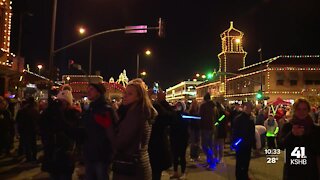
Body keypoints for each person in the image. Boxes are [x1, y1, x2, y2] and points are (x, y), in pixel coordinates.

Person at [113, 79, 157, 180]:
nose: (125, 96)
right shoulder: (137, 112)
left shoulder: (136, 115)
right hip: (138, 164)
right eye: (125, 93)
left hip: (130, 168)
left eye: (130, 94)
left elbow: (121, 142)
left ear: (139, 97)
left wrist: (108, 129)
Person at [40, 89, 80, 180]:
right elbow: (42, 126)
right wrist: (49, 110)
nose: (60, 104)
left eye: (63, 101)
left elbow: (70, 130)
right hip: (52, 153)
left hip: (65, 154)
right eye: (59, 101)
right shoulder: (51, 114)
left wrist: (59, 115)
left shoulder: (72, 114)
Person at [82, 83, 117, 180]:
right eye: (88, 89)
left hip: (101, 154)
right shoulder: (90, 108)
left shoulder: (105, 109)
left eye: (92, 89)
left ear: (99, 92)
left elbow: (111, 132)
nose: (88, 91)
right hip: (90, 152)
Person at [280, 98, 320, 180]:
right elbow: (281, 145)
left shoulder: (315, 129)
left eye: (304, 109)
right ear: (294, 110)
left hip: (310, 171)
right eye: (299, 109)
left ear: (308, 110)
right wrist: (292, 134)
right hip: (292, 171)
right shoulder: (288, 126)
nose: (302, 112)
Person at [148, 90, 174, 180]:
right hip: (154, 149)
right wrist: (162, 101)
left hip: (151, 149)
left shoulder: (145, 107)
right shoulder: (154, 107)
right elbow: (171, 117)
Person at [232, 102, 255, 180]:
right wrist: (235, 143)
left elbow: (252, 132)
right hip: (241, 143)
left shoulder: (250, 118)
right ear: (244, 108)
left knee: (246, 161)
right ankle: (239, 177)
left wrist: (253, 142)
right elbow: (235, 131)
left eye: (250, 108)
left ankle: (244, 176)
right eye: (247, 107)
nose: (249, 109)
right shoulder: (239, 118)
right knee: (240, 162)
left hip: (247, 143)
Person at [16, 97, 40, 162]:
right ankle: (34, 157)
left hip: (25, 130)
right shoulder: (35, 110)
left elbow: (19, 121)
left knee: (27, 144)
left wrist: (19, 130)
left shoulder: (23, 110)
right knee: (33, 144)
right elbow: (38, 121)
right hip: (33, 129)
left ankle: (29, 157)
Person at [170, 101, 189, 179]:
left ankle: (183, 172)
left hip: (182, 138)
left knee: (182, 156)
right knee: (175, 156)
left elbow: (186, 125)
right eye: (177, 105)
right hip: (174, 138)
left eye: (179, 105)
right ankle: (175, 172)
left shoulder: (185, 115)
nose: (178, 107)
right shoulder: (174, 114)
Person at [199, 93, 216, 168]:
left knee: (204, 146)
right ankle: (209, 161)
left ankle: (211, 160)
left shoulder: (203, 106)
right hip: (211, 127)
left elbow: (200, 116)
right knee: (210, 145)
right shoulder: (213, 106)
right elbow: (217, 116)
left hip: (205, 127)